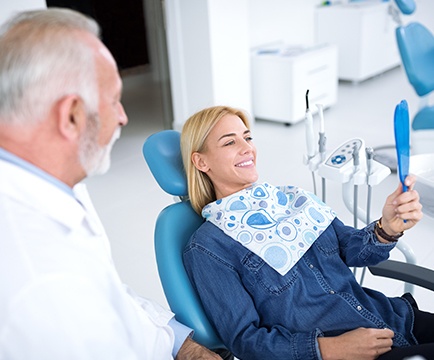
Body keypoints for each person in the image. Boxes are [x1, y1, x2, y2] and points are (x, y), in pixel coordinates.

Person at [0, 8, 222, 360]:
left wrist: (180, 343)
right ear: (71, 116)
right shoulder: (39, 284)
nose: (123, 116)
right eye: (114, 100)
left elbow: (108, 291)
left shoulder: (54, 183)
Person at [180, 105, 434, 360]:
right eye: (229, 143)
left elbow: (350, 248)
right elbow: (245, 340)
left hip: (390, 317)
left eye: (247, 137)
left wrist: (386, 228)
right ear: (201, 161)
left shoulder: (292, 198)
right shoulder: (208, 248)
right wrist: (332, 348)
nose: (247, 148)